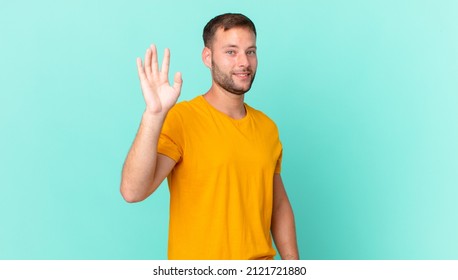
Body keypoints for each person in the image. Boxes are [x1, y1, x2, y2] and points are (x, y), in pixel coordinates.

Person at [120, 13, 299, 260]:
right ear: (208, 57)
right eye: (231, 52)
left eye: (250, 51)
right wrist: (153, 115)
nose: (244, 62)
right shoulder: (182, 119)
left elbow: (278, 206)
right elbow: (132, 191)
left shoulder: (268, 128)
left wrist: (294, 266)